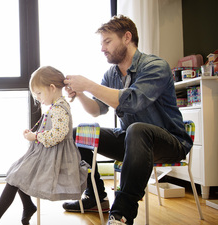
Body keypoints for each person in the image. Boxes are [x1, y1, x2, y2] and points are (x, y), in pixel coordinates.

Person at [62, 15, 193, 225]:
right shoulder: (111, 74)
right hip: (132, 140)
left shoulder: (155, 66)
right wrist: (80, 94)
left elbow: (132, 102)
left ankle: (121, 214)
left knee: (138, 130)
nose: (102, 48)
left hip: (170, 141)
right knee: (78, 133)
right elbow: (97, 110)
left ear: (127, 37)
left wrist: (88, 84)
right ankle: (95, 197)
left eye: (107, 41)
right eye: (101, 43)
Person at [0, 66, 88, 225]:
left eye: (39, 93)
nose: (37, 98)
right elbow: (53, 130)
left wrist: (35, 136)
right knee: (18, 171)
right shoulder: (55, 106)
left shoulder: (59, 108)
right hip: (49, 154)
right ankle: (28, 206)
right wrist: (34, 133)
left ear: (51, 88)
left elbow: (57, 135)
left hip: (56, 160)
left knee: (17, 175)